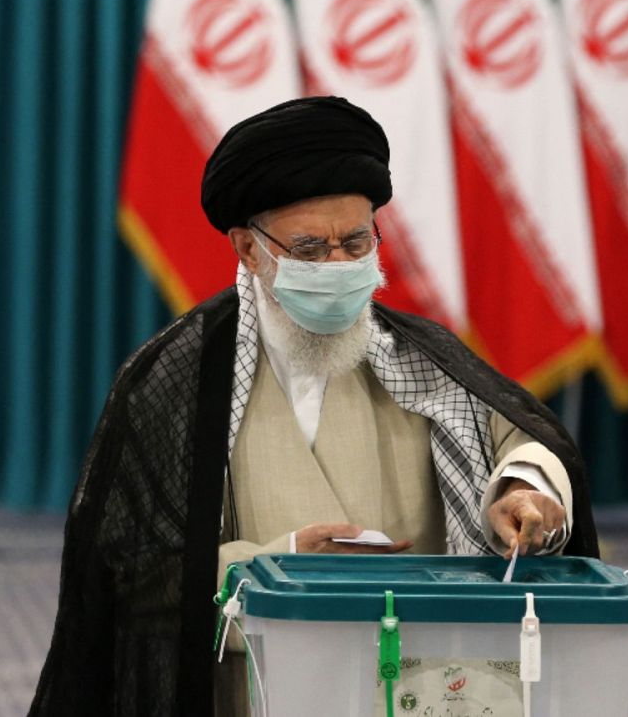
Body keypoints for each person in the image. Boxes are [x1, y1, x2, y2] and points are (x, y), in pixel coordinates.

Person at [29, 96, 598, 717]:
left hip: (417, 686)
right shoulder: (175, 380)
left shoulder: (422, 358)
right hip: (252, 694)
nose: (339, 265)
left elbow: (519, 441)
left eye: (356, 241)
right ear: (249, 249)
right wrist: (284, 565)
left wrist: (522, 489)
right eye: (309, 248)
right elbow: (134, 577)